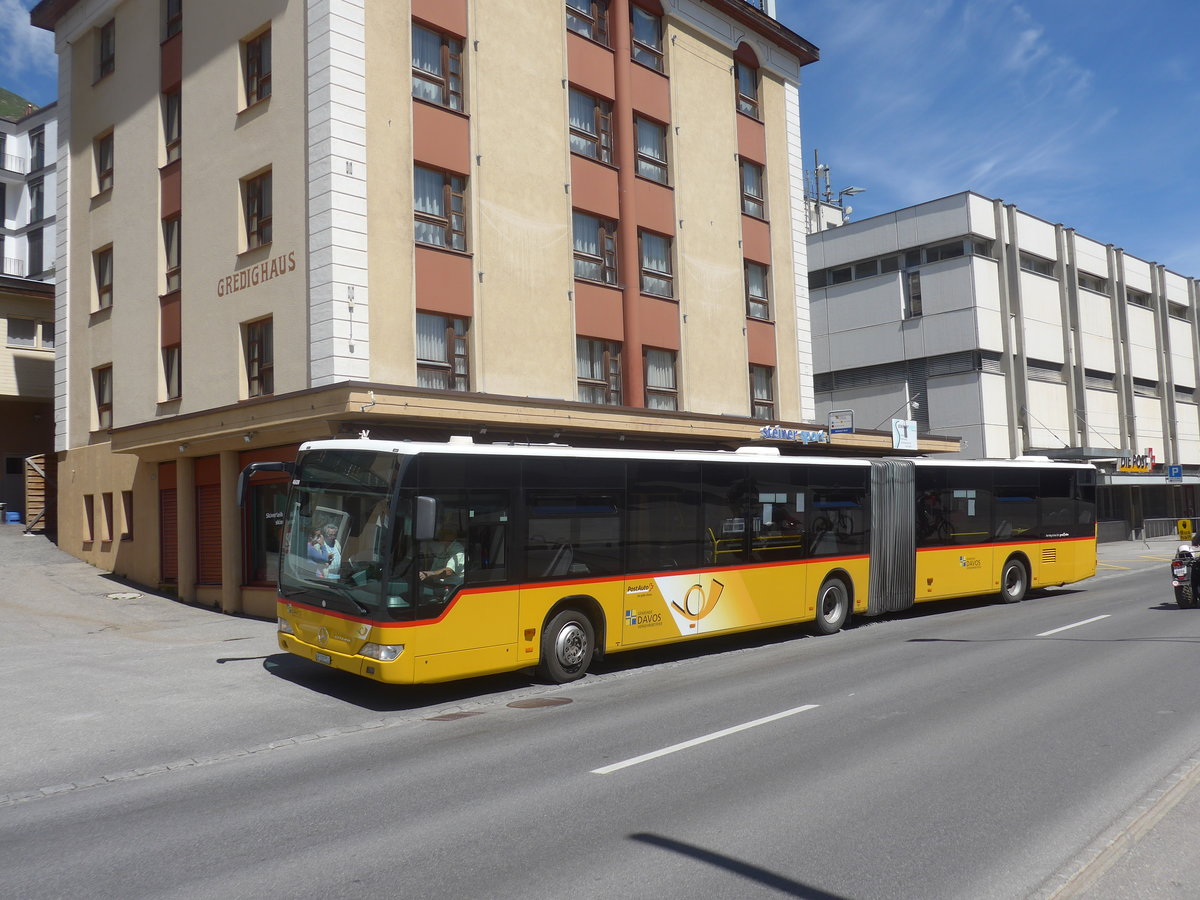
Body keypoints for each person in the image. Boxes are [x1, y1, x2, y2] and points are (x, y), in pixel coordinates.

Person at [419, 524, 465, 595]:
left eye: (444, 534)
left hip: (453, 589)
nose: (440, 536)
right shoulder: (442, 548)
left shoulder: (459, 551)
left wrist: (429, 574)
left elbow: (448, 572)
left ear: (451, 535)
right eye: (440, 533)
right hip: (437, 585)